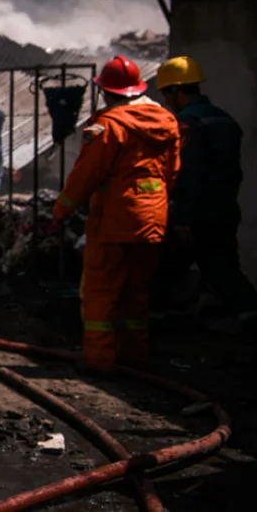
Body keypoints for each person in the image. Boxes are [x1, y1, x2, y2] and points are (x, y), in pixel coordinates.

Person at [53, 55, 179, 371]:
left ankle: (100, 362)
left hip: (114, 221)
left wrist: (61, 210)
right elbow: (173, 173)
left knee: (100, 294)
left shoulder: (108, 126)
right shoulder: (167, 122)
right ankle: (135, 358)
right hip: (153, 220)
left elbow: (86, 176)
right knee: (135, 294)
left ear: (105, 91)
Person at [155, 55, 257, 319]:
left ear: (177, 91)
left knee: (164, 271)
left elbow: (188, 173)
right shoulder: (225, 120)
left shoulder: (188, 124)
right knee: (224, 270)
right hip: (224, 210)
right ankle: (247, 316)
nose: (166, 101)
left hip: (196, 216)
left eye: (166, 94)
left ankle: (151, 325)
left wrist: (183, 219)